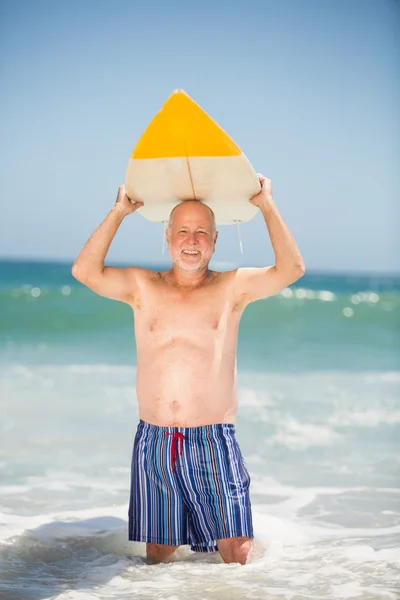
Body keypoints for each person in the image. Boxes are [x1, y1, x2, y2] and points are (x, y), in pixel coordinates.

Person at [72, 175, 305, 565]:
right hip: (155, 440)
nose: (191, 240)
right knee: (159, 553)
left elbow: (292, 268)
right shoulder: (142, 286)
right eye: (183, 231)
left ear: (215, 240)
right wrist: (119, 212)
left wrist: (266, 205)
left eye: (201, 232)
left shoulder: (232, 288)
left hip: (213, 438)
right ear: (168, 237)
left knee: (237, 547)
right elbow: (84, 271)